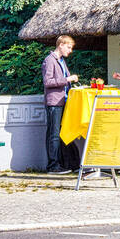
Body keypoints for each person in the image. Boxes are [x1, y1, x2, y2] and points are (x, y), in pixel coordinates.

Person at [41, 35, 79, 175]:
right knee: (54, 135)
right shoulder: (49, 61)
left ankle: (66, 163)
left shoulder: (61, 61)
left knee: (63, 134)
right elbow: (48, 82)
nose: (70, 51)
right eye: (69, 47)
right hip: (54, 103)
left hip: (63, 101)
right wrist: (67, 79)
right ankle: (53, 166)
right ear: (61, 45)